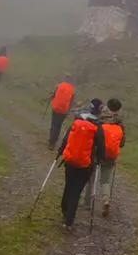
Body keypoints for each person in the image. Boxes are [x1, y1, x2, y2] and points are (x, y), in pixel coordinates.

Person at [54, 100, 105, 231]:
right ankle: (68, 221)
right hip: (86, 165)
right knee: (76, 191)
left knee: (68, 185)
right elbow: (102, 147)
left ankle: (64, 209)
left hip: (70, 160)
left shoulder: (77, 121)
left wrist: (60, 151)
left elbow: (67, 138)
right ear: (99, 110)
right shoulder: (98, 126)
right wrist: (99, 160)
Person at [84, 98, 125, 218]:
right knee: (105, 181)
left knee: (91, 177)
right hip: (110, 156)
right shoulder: (120, 123)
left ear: (107, 106)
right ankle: (106, 201)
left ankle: (87, 203)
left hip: (97, 153)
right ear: (118, 109)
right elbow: (122, 143)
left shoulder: (101, 119)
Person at [47, 77, 76, 148]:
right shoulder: (72, 90)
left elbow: (54, 95)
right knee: (58, 126)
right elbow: (71, 102)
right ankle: (53, 141)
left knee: (53, 124)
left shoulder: (60, 85)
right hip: (63, 111)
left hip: (55, 107)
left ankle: (51, 141)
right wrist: (68, 111)